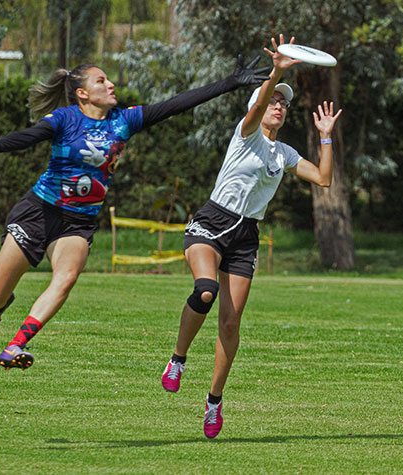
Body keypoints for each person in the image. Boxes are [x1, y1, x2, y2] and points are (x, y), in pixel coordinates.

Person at [0, 55, 270, 370]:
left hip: (77, 222)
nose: (111, 84)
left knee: (67, 277)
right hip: (39, 212)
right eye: (101, 81)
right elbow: (30, 136)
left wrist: (230, 83)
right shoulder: (64, 118)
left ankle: (16, 344)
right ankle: (0, 305)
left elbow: (176, 104)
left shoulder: (123, 120)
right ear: (82, 93)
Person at [160, 35, 342, 438]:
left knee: (230, 323)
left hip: (245, 237)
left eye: (284, 102)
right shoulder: (246, 135)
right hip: (211, 223)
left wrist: (326, 134)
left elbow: (324, 179)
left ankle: (214, 402)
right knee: (205, 289)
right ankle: (177, 359)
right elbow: (259, 102)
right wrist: (277, 70)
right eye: (273, 100)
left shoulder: (284, 154)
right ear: (257, 108)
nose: (278, 105)